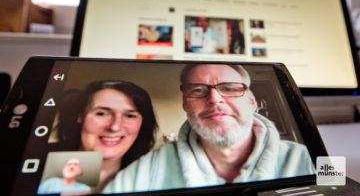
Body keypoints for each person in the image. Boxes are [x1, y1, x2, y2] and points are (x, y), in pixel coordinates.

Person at [103, 64, 315, 193]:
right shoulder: (150, 167)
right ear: (185, 104)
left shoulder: (305, 157)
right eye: (198, 90)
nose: (215, 100)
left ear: (251, 102)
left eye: (229, 89)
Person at [54, 80, 158, 191]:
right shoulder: (45, 169)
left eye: (130, 115)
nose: (115, 127)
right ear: (80, 116)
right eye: (101, 113)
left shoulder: (152, 178)